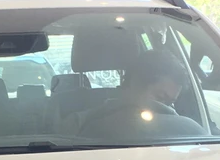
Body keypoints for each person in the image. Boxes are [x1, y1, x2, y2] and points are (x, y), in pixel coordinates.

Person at [78, 51, 206, 141]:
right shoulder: (80, 124)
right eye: (160, 98)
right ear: (135, 84)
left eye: (170, 103)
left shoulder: (186, 132)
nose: (166, 109)